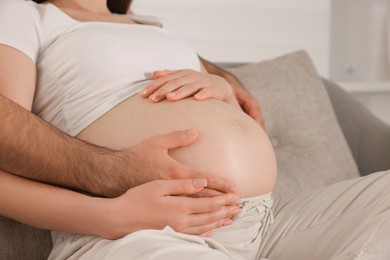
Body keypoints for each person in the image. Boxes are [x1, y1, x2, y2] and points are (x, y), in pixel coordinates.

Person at [0, 0, 276, 259]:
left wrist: (222, 89)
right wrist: (109, 216)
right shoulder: (21, 14)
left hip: (262, 218)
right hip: (144, 233)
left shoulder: (153, 24)